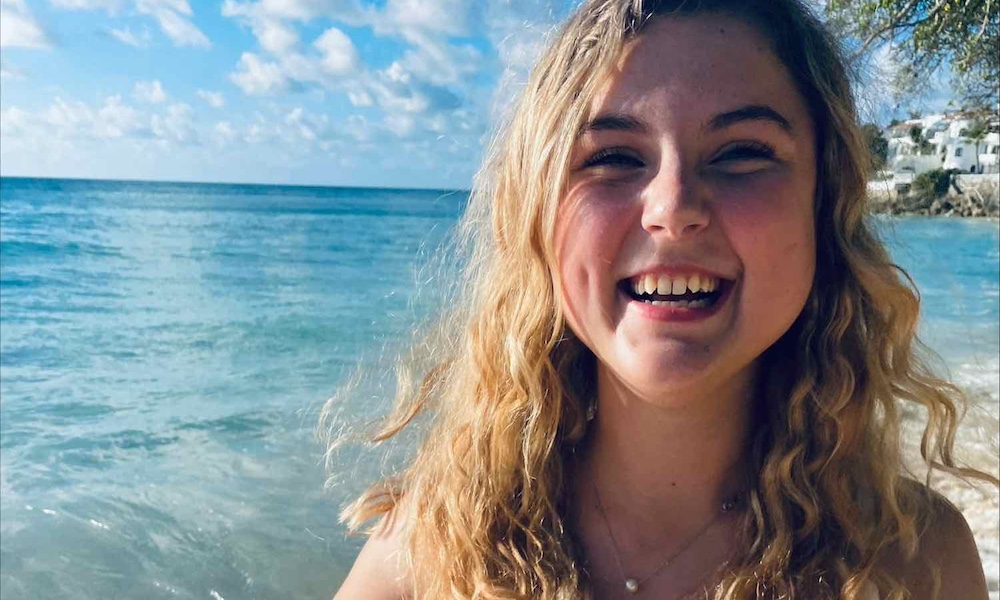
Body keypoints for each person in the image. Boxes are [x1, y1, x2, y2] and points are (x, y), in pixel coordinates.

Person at [328, 0, 996, 598]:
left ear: (823, 208)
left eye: (741, 152)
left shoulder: (914, 564)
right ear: (538, 216)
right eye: (613, 157)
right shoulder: (435, 550)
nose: (673, 209)